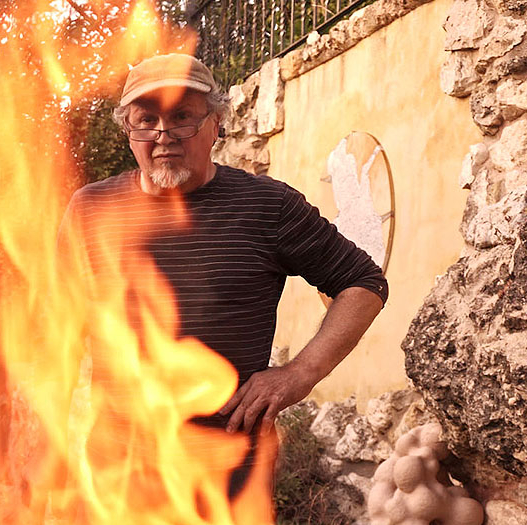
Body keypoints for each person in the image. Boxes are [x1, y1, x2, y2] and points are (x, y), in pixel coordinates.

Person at [63, 54, 386, 487]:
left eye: (182, 117)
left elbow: (363, 283)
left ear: (216, 125)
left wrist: (298, 374)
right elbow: (56, 330)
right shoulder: (91, 209)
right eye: (146, 119)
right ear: (128, 131)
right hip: (120, 477)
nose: (164, 135)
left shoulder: (268, 207)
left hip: (231, 480)